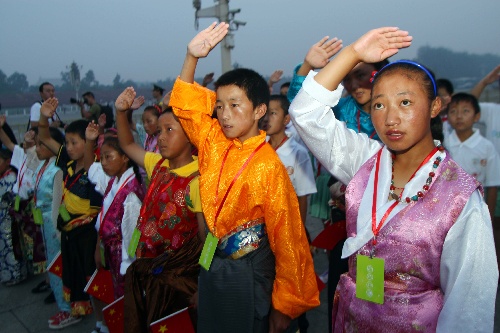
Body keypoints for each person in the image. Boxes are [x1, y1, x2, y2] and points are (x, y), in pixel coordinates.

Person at [288, 26, 498, 332]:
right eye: (379, 105)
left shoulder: (461, 196)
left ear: (435, 107)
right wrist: (353, 54)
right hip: (350, 320)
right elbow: (305, 113)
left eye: (405, 103)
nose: (390, 118)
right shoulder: (365, 161)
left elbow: (469, 307)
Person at [169, 22, 319, 333]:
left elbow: (289, 239)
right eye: (220, 106)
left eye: (235, 105)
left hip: (251, 267)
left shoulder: (269, 166)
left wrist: (285, 305)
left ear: (258, 110)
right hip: (215, 261)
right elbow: (186, 109)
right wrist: (191, 58)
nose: (224, 114)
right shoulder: (213, 143)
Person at [115, 88, 203, 333]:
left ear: (190, 135)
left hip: (177, 279)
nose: (161, 137)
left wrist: (204, 284)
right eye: (159, 131)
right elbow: (126, 143)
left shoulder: (198, 180)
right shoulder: (158, 164)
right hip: (147, 266)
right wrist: (121, 112)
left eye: (170, 130)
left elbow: (210, 239)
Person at [38, 98, 103, 320]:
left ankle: (100, 320)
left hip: (86, 233)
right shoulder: (67, 161)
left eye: (76, 142)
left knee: (89, 276)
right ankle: (77, 310)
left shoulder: (94, 170)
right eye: (67, 143)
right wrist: (44, 117)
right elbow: (45, 137)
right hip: (68, 228)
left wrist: (91, 142)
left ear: (89, 142)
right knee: (72, 272)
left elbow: (88, 159)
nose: (70, 148)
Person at [262, 94, 317, 333]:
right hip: (263, 231)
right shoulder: (258, 149)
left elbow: (302, 196)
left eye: (273, 113)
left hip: (289, 230)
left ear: (286, 120)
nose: (267, 118)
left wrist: (299, 234)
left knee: (291, 293)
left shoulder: (297, 153)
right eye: (266, 113)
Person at [85, 124, 145, 333]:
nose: (103, 163)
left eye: (108, 157)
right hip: (112, 252)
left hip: (124, 260)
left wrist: (127, 267)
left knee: (127, 303)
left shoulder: (129, 194)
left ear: (125, 157)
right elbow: (90, 170)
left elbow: (131, 236)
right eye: (101, 158)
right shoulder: (115, 182)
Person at [30, 126, 72, 329]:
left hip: (53, 223)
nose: (37, 149)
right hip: (44, 222)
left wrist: (57, 229)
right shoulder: (44, 165)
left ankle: (68, 308)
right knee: (52, 265)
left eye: (41, 144)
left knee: (58, 266)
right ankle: (63, 305)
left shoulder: (57, 171)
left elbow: (57, 202)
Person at [445, 92, 500, 219]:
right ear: (447, 116)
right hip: (446, 212)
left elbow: (492, 185)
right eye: (453, 111)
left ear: (476, 117)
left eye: (465, 111)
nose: (459, 116)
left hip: (476, 213)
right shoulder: (443, 145)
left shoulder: (486, 147)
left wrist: (488, 218)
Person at [0, 148, 19, 285]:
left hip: (8, 218)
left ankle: (14, 274)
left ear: (7, 162)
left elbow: (11, 199)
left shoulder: (11, 176)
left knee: (9, 246)